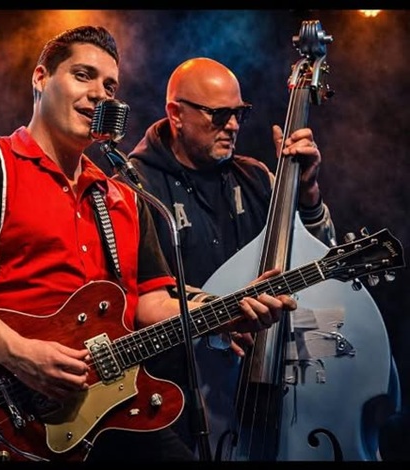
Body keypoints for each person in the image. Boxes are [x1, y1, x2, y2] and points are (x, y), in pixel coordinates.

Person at [0, 26, 299, 463]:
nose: (98, 94)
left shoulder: (124, 195)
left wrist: (224, 311)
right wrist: (19, 354)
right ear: (41, 77)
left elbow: (151, 303)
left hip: (103, 412)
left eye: (109, 86)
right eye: (82, 75)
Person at [125, 57, 336, 456]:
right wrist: (224, 309)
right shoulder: (134, 186)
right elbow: (134, 295)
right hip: (177, 398)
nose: (234, 126)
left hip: (263, 380)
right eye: (219, 115)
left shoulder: (257, 177)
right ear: (176, 114)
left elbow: (318, 257)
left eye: (240, 113)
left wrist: (307, 192)